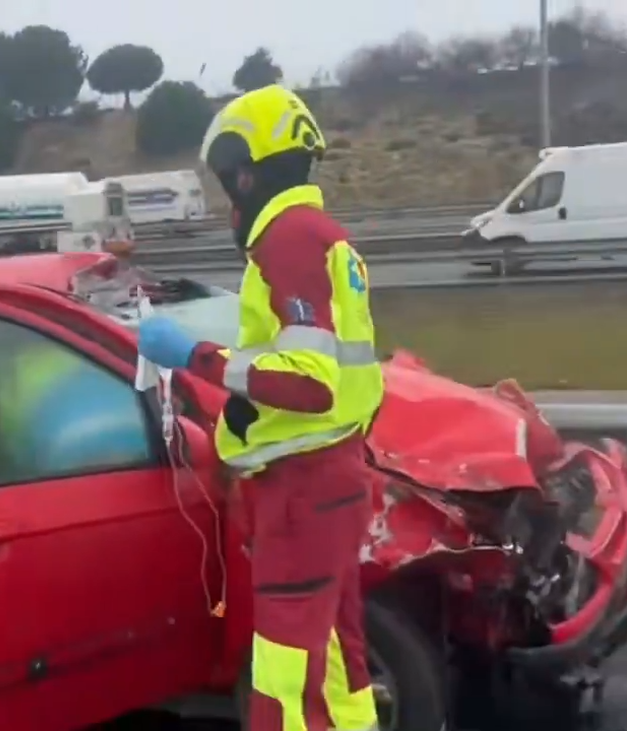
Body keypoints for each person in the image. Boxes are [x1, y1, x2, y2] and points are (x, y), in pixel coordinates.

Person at [136, 85, 384, 731]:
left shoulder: (289, 239)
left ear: (246, 171)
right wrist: (240, 417)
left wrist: (196, 355)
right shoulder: (325, 237)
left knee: (283, 679)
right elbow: (341, 380)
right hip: (331, 474)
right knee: (336, 660)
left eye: (229, 182)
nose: (230, 198)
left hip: (302, 491)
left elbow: (309, 382)